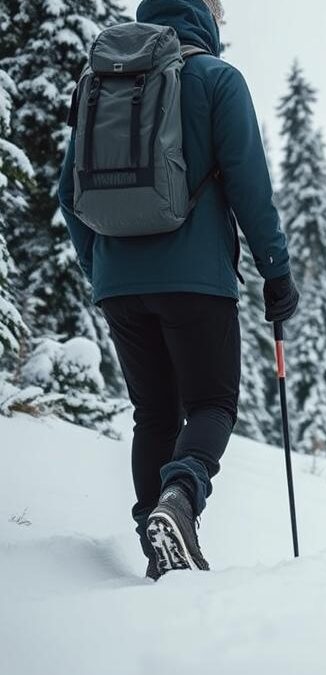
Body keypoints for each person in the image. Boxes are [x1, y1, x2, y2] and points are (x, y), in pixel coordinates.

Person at [58, 0, 299, 579]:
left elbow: (70, 194)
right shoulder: (217, 79)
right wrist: (276, 271)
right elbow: (248, 184)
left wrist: (103, 270)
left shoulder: (100, 79)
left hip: (119, 285)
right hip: (196, 281)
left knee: (154, 413)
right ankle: (181, 499)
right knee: (211, 404)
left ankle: (158, 551)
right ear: (208, 17)